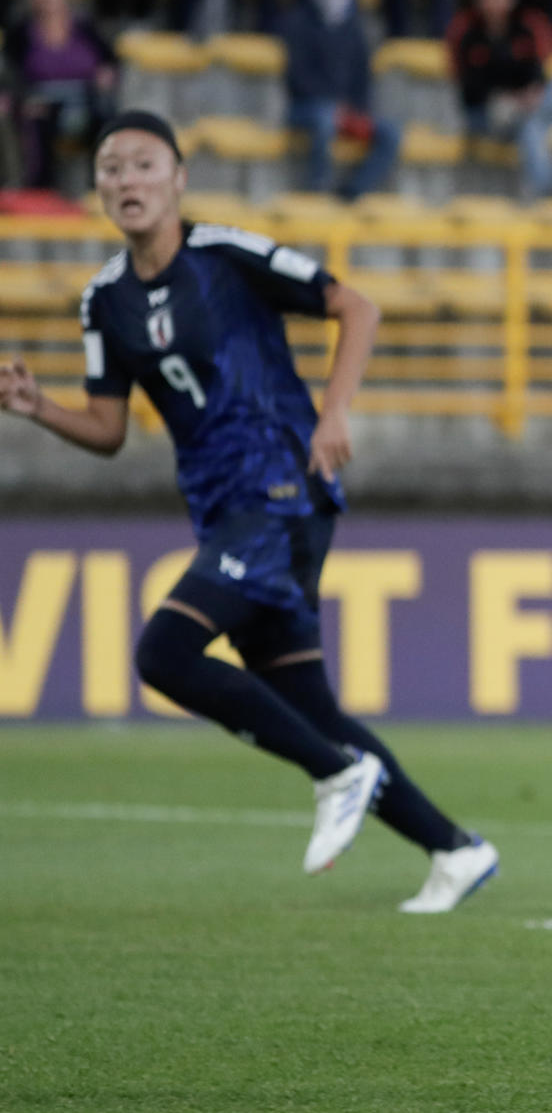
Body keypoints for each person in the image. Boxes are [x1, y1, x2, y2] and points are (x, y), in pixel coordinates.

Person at [0, 112, 500, 914]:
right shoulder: (102, 302)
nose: (125, 180)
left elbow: (356, 306)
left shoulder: (227, 254)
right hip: (221, 508)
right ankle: (454, 849)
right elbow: (106, 429)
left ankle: (336, 774)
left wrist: (335, 413)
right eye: (110, 168)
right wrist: (36, 408)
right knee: (310, 707)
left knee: (163, 653)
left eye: (141, 165)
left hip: (282, 488)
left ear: (177, 179)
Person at [445, 0, 552, 200]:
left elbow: (538, 70)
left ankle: (545, 186)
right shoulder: (465, 29)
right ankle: (546, 191)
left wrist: (532, 93)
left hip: (524, 104)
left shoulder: (527, 24)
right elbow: (467, 86)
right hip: (487, 111)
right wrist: (510, 97)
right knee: (529, 124)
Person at [282, 0, 401, 202]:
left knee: (391, 133)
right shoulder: (297, 24)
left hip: (345, 111)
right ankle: (318, 186)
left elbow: (362, 79)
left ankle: (353, 191)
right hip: (306, 109)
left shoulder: (355, 30)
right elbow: (297, 80)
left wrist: (357, 111)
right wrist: (335, 107)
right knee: (325, 118)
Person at [3, 0, 116, 193]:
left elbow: (110, 60)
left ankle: (100, 187)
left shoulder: (84, 27)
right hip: (38, 98)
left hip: (84, 98)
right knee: (39, 118)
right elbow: (10, 73)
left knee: (106, 118)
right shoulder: (21, 32)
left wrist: (105, 73)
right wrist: (22, 99)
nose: (46, 0)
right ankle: (41, 191)